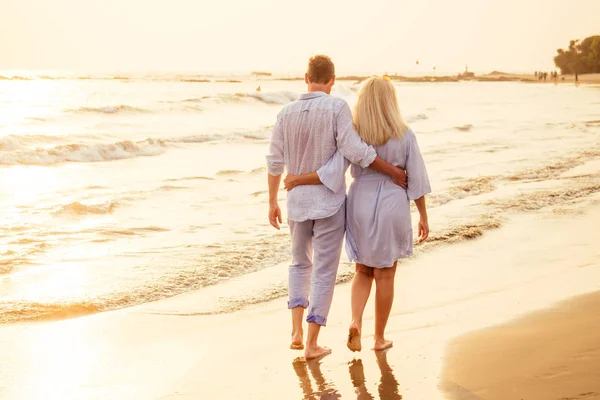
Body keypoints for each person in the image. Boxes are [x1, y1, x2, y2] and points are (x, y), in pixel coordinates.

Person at [266, 56, 407, 359]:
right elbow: (355, 151)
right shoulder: (337, 107)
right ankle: (312, 343)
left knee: (299, 263)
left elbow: (275, 162)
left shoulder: (285, 113)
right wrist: (392, 171)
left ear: (306, 77)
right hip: (329, 202)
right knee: (324, 271)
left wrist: (272, 202)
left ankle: (295, 330)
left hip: (296, 203)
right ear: (332, 80)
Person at [284, 76, 431, 352]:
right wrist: (423, 215)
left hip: (360, 200)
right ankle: (378, 338)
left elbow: (333, 166)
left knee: (363, 270)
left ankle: (355, 322)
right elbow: (417, 179)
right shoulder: (404, 134)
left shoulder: (355, 132)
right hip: (392, 201)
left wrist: (298, 179)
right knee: (386, 273)